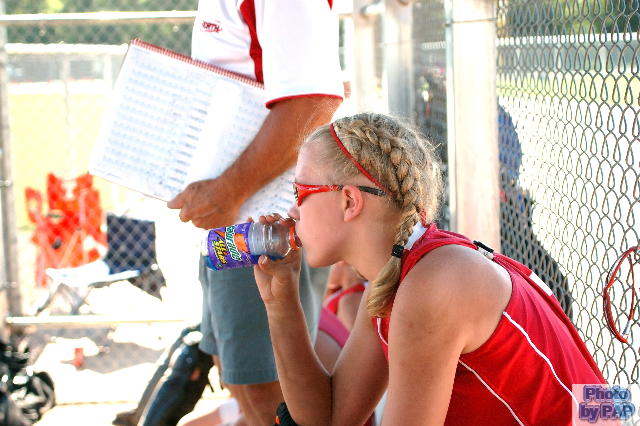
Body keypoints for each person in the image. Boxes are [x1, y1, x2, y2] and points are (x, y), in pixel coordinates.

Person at [252, 112, 606, 425]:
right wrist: (280, 303)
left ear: (349, 201)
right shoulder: (397, 275)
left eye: (299, 193)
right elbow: (330, 418)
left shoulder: (433, 283)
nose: (292, 211)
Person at [168, 2, 343, 425]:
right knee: (239, 378)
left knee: (270, 392)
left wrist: (227, 191)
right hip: (228, 217)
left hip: (264, 224)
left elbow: (314, 102)